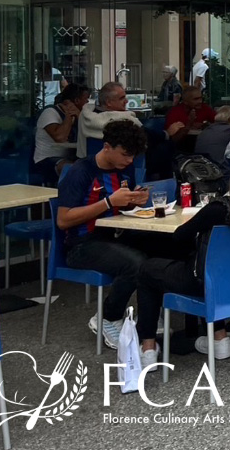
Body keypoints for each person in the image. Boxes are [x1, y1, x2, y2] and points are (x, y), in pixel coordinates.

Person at [134, 145, 230, 368]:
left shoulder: (220, 209)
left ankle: (148, 347)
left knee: (147, 270)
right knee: (214, 266)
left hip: (213, 285)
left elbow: (179, 236)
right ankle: (219, 338)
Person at [56, 120, 150, 349]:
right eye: (125, 155)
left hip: (113, 237)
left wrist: (133, 201)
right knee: (136, 264)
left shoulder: (124, 169)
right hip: (80, 245)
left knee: (160, 250)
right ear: (107, 147)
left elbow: (121, 207)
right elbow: (63, 220)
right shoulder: (81, 171)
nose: (129, 161)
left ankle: (149, 317)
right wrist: (108, 201)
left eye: (133, 157)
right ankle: (108, 317)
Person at [32, 84, 88, 184]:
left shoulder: (79, 114)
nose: (87, 103)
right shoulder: (50, 113)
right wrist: (68, 116)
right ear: (76, 101)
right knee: (73, 169)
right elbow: (60, 137)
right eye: (86, 100)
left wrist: (80, 116)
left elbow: (88, 134)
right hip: (46, 159)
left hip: (69, 156)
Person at [77, 82, 141, 159]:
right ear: (108, 102)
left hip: (87, 162)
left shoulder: (85, 115)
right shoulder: (126, 120)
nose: (126, 101)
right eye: (122, 98)